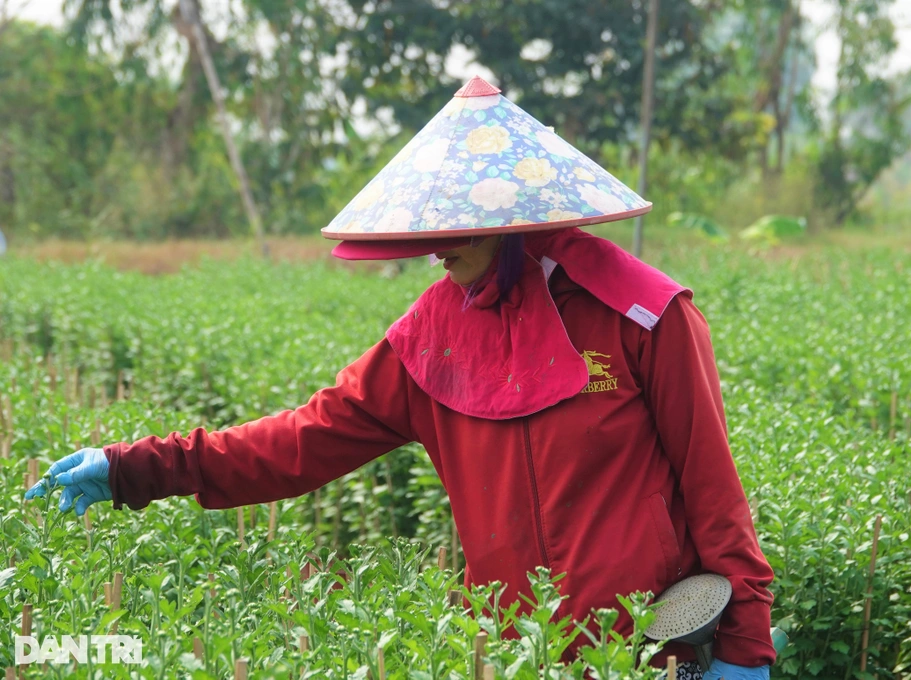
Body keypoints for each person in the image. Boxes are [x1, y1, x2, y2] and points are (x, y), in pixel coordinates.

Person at [26, 77, 775, 679]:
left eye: (451, 227)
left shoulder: (644, 316)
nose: (433, 249)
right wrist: (139, 468)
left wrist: (745, 651)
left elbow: (716, 499)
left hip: (646, 658)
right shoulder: (430, 336)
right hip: (510, 661)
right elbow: (301, 441)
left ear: (507, 216)